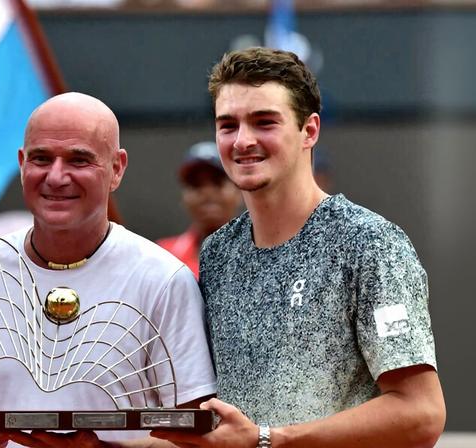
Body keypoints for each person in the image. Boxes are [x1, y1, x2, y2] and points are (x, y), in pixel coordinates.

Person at [153, 47, 445, 448]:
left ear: (309, 130)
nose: (242, 141)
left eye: (264, 122)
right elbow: (221, 433)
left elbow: (421, 414)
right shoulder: (219, 253)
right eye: (227, 125)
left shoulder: (370, 244)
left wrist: (269, 440)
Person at [0, 92, 216, 448]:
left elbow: (198, 438)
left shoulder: (163, 280)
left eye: (79, 160)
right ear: (21, 164)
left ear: (117, 168)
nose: (56, 176)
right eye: (41, 158)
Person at [157, 141, 241, 279]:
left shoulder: (260, 253)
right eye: (196, 185)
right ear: (183, 198)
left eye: (217, 182)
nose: (207, 193)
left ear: (239, 192)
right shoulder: (163, 256)